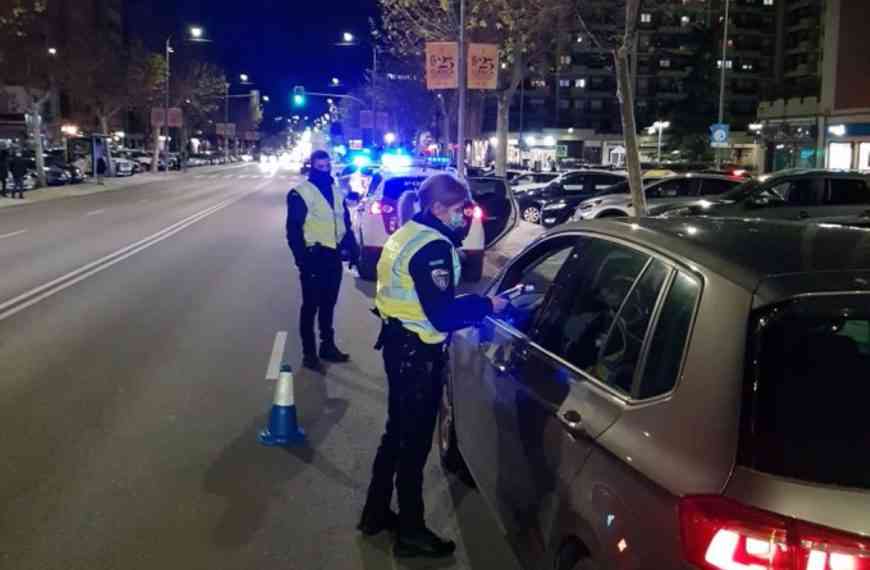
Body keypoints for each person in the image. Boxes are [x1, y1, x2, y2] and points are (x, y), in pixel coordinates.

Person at [358, 173, 508, 558]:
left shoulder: (409, 233)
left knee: (396, 434)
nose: (464, 216)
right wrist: (487, 305)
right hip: (417, 355)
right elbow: (441, 316)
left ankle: (375, 512)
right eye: (459, 209)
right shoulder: (433, 247)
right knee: (413, 445)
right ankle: (411, 530)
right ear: (438, 207)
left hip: (399, 344)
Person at [286, 150, 357, 372]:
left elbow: (344, 222)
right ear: (312, 167)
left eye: (327, 166)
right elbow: (293, 230)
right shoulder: (300, 193)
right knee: (311, 307)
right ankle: (309, 353)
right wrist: (302, 260)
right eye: (320, 166)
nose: (324, 170)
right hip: (313, 257)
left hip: (332, 256)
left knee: (329, 304)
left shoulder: (336, 191)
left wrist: (352, 248)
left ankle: (327, 346)